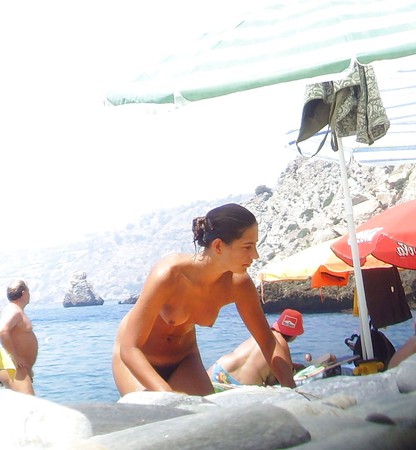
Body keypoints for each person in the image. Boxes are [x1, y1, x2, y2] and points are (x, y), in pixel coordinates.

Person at [112, 203, 296, 397]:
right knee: (160, 410)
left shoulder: (238, 283)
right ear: (218, 246)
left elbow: (268, 342)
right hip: (137, 356)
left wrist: (292, 391)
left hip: (185, 360)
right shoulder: (169, 275)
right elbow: (129, 348)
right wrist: (167, 396)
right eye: (248, 247)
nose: (255, 255)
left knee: (206, 413)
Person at [207, 309, 306, 386]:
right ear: (295, 334)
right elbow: (281, 381)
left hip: (217, 370)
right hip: (238, 384)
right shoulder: (281, 344)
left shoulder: (262, 333)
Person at [0, 280, 38, 395]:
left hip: (18, 367)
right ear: (24, 293)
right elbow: (3, 331)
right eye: (28, 291)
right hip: (15, 367)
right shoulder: (14, 311)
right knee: (30, 403)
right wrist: (14, 356)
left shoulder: (14, 310)